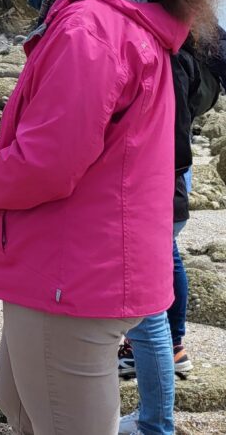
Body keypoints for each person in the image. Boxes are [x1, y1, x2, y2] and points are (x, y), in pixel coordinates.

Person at [0, 0, 220, 434]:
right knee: (17, 401)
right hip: (75, 261)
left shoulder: (90, 27)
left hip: (70, 273)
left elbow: (47, 165)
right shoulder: (117, 14)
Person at [118, 29, 226, 435]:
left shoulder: (167, 54)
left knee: (147, 318)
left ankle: (154, 424)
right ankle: (173, 350)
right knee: (167, 263)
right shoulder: (189, 45)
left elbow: (166, 136)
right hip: (175, 181)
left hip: (159, 186)